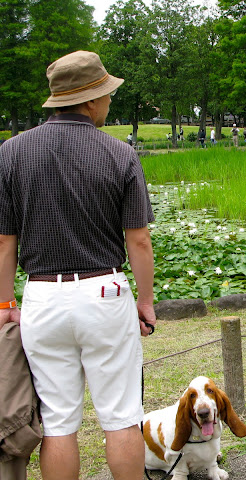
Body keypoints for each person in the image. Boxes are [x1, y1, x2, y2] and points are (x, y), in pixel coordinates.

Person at [0, 50, 155, 480]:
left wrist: (5, 303)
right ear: (89, 100)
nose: (110, 100)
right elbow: (138, 240)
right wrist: (145, 302)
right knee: (121, 416)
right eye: (106, 94)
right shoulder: (120, 154)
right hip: (104, 293)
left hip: (42, 298)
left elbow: (4, 241)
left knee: (58, 421)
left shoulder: (10, 153)